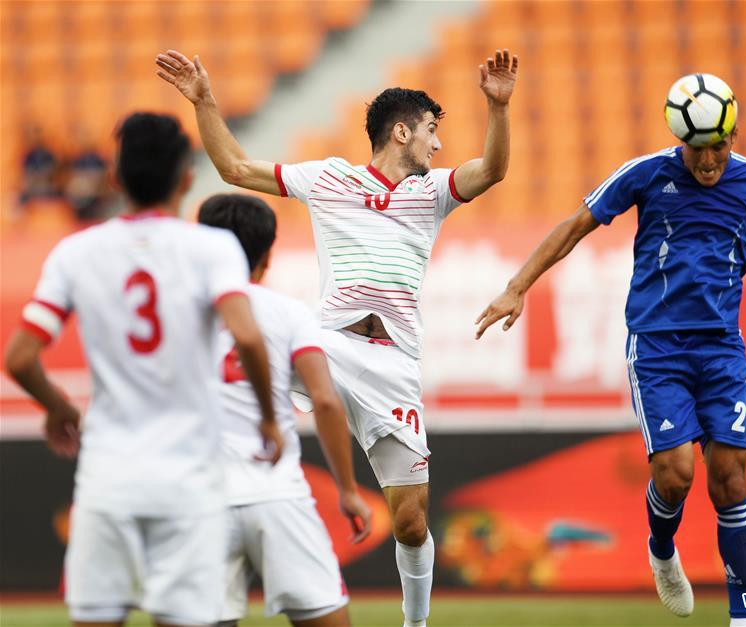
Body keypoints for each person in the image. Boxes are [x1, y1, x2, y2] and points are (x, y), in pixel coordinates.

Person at [474, 75, 746, 627]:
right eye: (697, 149)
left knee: (731, 480)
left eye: (718, 146)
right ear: (680, 140)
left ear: (733, 136)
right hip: (657, 347)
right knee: (675, 476)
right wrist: (517, 286)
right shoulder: (647, 174)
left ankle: (742, 620)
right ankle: (662, 548)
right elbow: (575, 226)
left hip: (721, 350)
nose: (708, 160)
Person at [156, 46, 518, 627]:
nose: (438, 144)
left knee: (411, 522)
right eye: (431, 130)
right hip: (326, 343)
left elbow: (493, 170)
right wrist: (205, 102)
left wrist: (498, 109)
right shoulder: (327, 177)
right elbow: (236, 170)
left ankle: (415, 623)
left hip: (393, 361)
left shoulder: (434, 192)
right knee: (240, 363)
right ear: (401, 132)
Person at [4, 113, 283, 627]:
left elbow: (19, 358)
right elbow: (246, 336)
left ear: (115, 179)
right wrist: (268, 417)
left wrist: (58, 407)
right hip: (189, 477)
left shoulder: (76, 251)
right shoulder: (212, 249)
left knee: (96, 616)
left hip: (108, 473)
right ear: (186, 178)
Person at [197, 193, 373, 627]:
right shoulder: (289, 312)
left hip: (201, 500)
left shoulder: (181, 313)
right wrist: (348, 489)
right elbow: (325, 400)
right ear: (267, 256)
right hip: (277, 493)